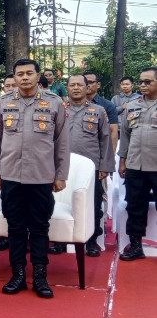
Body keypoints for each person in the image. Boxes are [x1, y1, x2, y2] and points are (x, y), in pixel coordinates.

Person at [0, 58, 69, 298]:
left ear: (37, 76)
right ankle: (18, 275)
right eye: (19, 74)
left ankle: (41, 276)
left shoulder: (54, 103)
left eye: (29, 73)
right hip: (11, 175)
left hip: (41, 176)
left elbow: (62, 142)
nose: (24, 78)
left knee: (40, 226)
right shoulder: (2, 103)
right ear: (13, 77)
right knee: (15, 227)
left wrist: (60, 174)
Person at [48, 74, 114, 257]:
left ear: (87, 88)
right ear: (66, 88)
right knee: (57, 202)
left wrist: (104, 166)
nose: (76, 88)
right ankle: (59, 241)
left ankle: (91, 241)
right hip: (61, 166)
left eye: (80, 85)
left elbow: (105, 140)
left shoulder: (98, 111)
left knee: (92, 205)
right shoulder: (57, 109)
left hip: (90, 169)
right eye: (72, 85)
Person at [117, 67, 157, 261]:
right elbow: (124, 135)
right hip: (135, 165)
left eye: (147, 82)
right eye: (141, 81)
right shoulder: (132, 106)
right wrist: (122, 161)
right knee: (135, 206)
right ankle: (135, 246)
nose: (142, 85)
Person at [83, 71, 119, 148]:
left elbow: (113, 132)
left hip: (99, 150)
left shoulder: (108, 106)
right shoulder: (73, 105)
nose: (87, 85)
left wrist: (111, 156)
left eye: (90, 82)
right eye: (84, 82)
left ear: (98, 85)